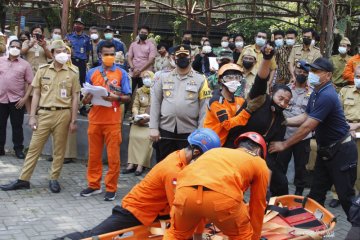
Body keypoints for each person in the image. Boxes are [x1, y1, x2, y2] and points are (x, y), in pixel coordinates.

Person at [58, 128, 221, 240]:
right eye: (205, 159)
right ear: (196, 152)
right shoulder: (173, 170)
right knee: (96, 236)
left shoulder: (181, 158)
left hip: (156, 213)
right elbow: (180, 209)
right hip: (135, 211)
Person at [269, 57, 357, 219]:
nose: (311, 74)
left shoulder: (327, 95)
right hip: (326, 153)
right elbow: (305, 115)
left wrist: (284, 144)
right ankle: (317, 232)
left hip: (341, 152)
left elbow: (308, 126)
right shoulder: (316, 92)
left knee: (346, 198)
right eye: (312, 71)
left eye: (317, 71)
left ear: (328, 75)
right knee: (316, 196)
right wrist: (284, 121)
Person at [0, 40, 81, 193]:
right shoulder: (43, 70)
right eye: (58, 51)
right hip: (44, 113)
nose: (61, 54)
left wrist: (74, 120)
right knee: (34, 148)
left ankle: (54, 178)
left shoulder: (73, 73)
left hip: (63, 113)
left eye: (64, 51)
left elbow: (75, 97)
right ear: (52, 53)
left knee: (59, 149)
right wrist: (32, 115)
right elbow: (35, 93)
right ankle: (23, 179)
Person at [164, 132, 270, 240]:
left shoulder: (215, 151)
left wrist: (198, 235)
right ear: (258, 151)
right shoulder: (259, 162)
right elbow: (258, 203)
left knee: (175, 234)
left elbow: (200, 185)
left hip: (185, 193)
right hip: (222, 200)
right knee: (243, 235)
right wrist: (255, 236)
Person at [80, 41, 131, 201]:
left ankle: (111, 187)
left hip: (113, 120)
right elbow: (85, 100)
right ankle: (93, 185)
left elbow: (128, 97)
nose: (109, 56)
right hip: (95, 119)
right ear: (100, 55)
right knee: (93, 156)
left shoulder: (122, 73)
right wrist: (86, 98)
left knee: (113, 157)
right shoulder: (92, 72)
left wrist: (117, 97)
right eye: (105, 54)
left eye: (112, 53)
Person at [150, 44, 212, 162]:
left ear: (192, 58)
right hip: (166, 130)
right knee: (164, 165)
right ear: (174, 58)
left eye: (185, 56)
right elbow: (156, 103)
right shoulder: (163, 77)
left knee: (185, 166)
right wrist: (153, 127)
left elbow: (204, 108)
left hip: (189, 132)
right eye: (179, 56)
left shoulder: (201, 79)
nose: (182, 58)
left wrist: (200, 133)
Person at [203, 46, 273, 145]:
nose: (233, 81)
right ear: (220, 80)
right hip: (210, 143)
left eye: (237, 78)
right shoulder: (217, 101)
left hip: (225, 143)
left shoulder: (239, 100)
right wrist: (248, 110)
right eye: (229, 78)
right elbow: (228, 125)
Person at [274, 60, 313, 196]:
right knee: (280, 166)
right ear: (294, 72)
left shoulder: (313, 93)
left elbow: (310, 117)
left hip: (303, 136)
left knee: (301, 167)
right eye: (298, 72)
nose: (301, 74)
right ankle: (279, 192)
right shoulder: (286, 90)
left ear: (308, 75)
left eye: (304, 72)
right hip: (284, 135)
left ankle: (298, 193)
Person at [330, 65, 360, 208]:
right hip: (344, 132)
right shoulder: (345, 91)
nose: (359, 79)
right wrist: (347, 128)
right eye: (357, 76)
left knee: (358, 167)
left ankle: (357, 196)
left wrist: (357, 126)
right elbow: (337, 112)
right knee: (340, 165)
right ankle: (337, 195)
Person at [0, 39, 33, 158]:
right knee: (0, 125)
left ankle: (18, 149)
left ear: (20, 50)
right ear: (8, 47)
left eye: (18, 47)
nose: (15, 48)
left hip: (17, 100)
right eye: (13, 46)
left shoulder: (25, 64)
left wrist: (25, 98)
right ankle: (0, 149)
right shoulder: (1, 60)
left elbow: (31, 83)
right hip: (1, 99)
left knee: (17, 125)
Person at [122, 71, 154, 176]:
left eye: (148, 77)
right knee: (133, 136)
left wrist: (147, 117)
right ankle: (131, 163)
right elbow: (135, 105)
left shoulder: (156, 91)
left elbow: (156, 107)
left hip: (150, 119)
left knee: (145, 139)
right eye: (144, 77)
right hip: (138, 119)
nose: (146, 79)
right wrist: (136, 115)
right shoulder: (140, 91)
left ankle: (141, 164)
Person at [65, 18, 92, 116]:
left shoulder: (86, 38)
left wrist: (85, 61)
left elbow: (88, 51)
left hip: (81, 63)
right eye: (76, 23)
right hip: (71, 61)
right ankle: (69, 105)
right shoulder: (68, 36)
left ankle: (82, 107)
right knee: (69, 82)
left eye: (80, 24)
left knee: (81, 84)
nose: (78, 25)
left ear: (83, 26)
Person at [127, 25, 157, 94]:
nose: (143, 34)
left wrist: (140, 71)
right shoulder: (133, 44)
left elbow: (151, 60)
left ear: (148, 34)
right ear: (138, 32)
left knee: (143, 95)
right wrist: (133, 68)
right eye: (142, 32)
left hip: (145, 74)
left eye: (145, 33)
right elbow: (129, 57)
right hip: (133, 73)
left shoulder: (151, 45)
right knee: (128, 93)